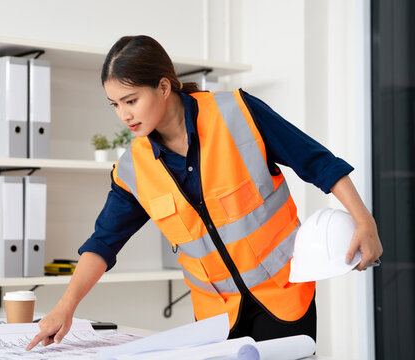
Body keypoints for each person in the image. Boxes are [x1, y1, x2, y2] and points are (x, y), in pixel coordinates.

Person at [25, 35, 383, 351]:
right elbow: (103, 242)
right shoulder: (133, 169)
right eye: (114, 104)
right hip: (217, 319)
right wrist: (64, 308)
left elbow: (317, 162)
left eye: (130, 100)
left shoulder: (237, 113)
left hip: (284, 298)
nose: (123, 115)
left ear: (164, 87)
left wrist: (364, 221)